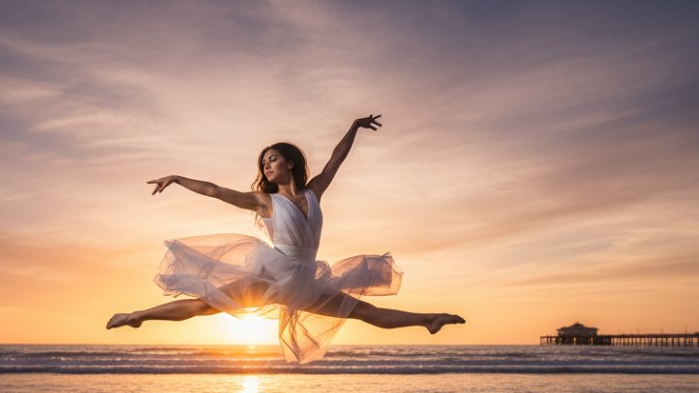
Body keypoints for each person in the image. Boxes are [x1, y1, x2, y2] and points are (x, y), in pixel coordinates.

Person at [107, 114, 465, 363]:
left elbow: (335, 161)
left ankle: (429, 319)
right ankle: (138, 315)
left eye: (272, 159)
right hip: (275, 273)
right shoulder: (266, 201)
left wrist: (354, 126)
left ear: (289, 163)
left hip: (307, 280)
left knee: (367, 313)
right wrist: (177, 177)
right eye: (263, 163)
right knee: (207, 303)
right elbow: (215, 190)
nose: (266, 166)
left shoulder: (313, 193)